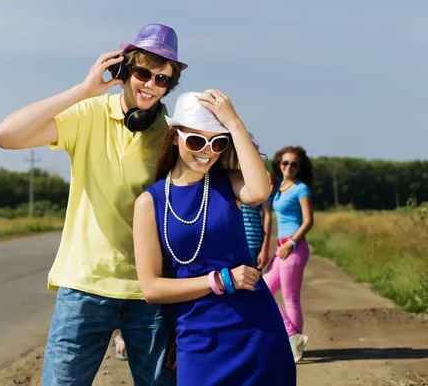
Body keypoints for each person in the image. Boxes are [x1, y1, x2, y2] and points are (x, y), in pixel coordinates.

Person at [0, 23, 187, 386]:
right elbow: (6, 135)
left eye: (162, 79)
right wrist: (83, 90)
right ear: (124, 69)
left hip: (149, 291)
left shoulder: (174, 136)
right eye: (143, 72)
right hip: (85, 285)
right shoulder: (88, 114)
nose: (150, 84)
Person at [133, 91, 296, 386]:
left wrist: (233, 122)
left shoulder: (228, 183)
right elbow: (151, 288)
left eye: (217, 142)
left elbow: (260, 192)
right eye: (196, 140)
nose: (206, 151)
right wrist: (219, 281)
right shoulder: (150, 202)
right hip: (198, 335)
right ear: (174, 137)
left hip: (256, 330)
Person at [263, 146, 314, 364]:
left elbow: (308, 221)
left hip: (293, 247)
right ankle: (294, 338)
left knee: (290, 300)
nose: (289, 167)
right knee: (262, 289)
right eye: (285, 163)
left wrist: (292, 243)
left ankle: (294, 345)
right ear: (279, 164)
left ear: (299, 168)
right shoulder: (281, 187)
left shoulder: (301, 189)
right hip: (280, 248)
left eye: (294, 164)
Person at [241, 133, 273, 269]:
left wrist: (265, 248)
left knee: (251, 286)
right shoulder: (226, 174)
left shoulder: (263, 177)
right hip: (230, 241)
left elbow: (267, 216)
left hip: (253, 241)